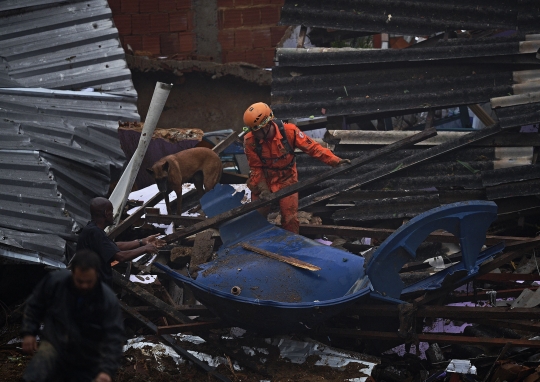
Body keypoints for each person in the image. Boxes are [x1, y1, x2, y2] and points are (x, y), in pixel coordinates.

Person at [243, 102, 350, 234]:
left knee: (289, 219)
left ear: (266, 126)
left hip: (286, 179)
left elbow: (313, 148)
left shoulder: (290, 131)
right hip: (263, 179)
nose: (254, 134)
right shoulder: (250, 141)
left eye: (256, 130)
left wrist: (336, 161)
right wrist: (264, 190)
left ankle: (290, 247)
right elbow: (256, 168)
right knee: (256, 218)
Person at [21, 250, 125, 382]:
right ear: (73, 273)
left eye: (89, 282)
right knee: (34, 375)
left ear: (97, 275)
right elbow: (35, 304)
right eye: (79, 281)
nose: (84, 285)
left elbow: (114, 337)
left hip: (88, 355)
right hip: (55, 344)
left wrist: (106, 371)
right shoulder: (56, 283)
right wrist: (29, 332)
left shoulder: (106, 300)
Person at [76, 197, 166, 286]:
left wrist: (142, 241)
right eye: (111, 211)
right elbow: (120, 257)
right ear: (106, 214)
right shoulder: (95, 233)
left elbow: (113, 246)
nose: (113, 214)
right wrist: (145, 249)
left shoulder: (91, 230)